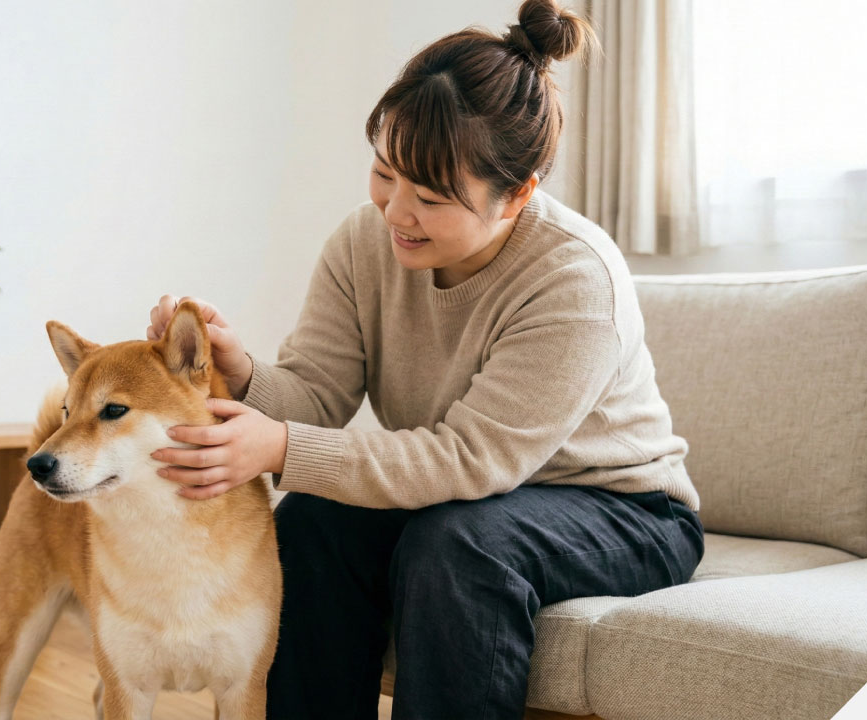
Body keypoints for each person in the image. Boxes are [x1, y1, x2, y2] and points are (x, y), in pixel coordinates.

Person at [145, 0, 705, 717]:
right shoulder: (364, 241)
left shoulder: (575, 278)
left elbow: (471, 461)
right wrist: (244, 372)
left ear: (517, 195)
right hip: (481, 500)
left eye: (432, 197)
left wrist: (279, 446)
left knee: (459, 544)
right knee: (314, 520)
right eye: (386, 173)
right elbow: (317, 392)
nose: (396, 213)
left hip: (625, 511)